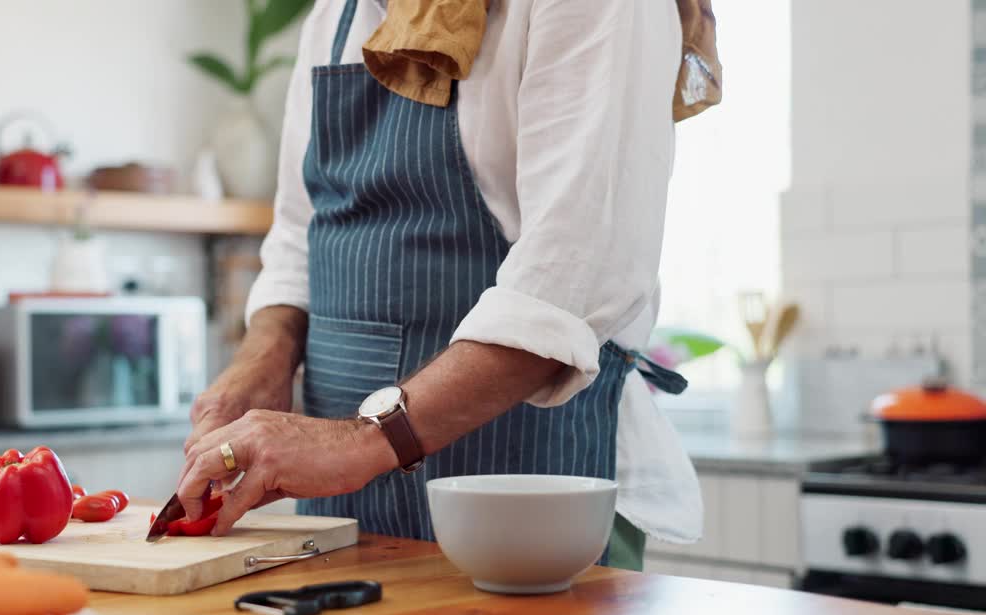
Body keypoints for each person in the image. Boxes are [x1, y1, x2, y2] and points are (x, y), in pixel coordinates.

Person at [174, 0, 709, 570]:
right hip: (342, 514)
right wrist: (266, 357)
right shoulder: (332, 17)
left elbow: (567, 281)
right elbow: (294, 238)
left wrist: (356, 444)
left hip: (531, 511)